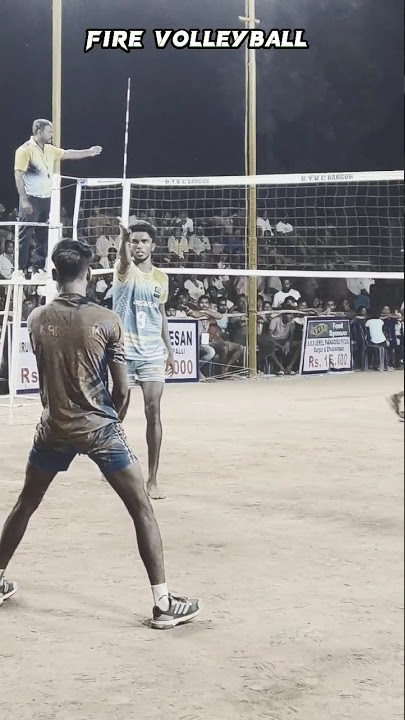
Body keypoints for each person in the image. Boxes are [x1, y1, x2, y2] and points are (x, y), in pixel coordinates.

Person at [0, 239, 201, 628]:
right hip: (98, 428)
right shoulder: (106, 319)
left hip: (54, 426)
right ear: (89, 274)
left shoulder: (37, 318)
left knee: (26, 503)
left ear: (55, 275)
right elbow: (122, 388)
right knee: (141, 507)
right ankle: (162, 605)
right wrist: (113, 420)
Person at [113, 221, 175, 500]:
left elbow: (161, 314)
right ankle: (114, 467)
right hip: (124, 353)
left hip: (151, 353)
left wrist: (169, 349)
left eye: (143, 241)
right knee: (116, 414)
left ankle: (153, 479)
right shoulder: (124, 272)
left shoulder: (161, 278)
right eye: (134, 241)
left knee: (154, 411)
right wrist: (122, 240)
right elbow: (123, 261)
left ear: (153, 245)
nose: (138, 246)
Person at [14, 118, 102, 276]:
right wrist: (24, 199)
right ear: (38, 131)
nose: (52, 134)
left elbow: (68, 153)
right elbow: (18, 174)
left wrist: (89, 151)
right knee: (25, 234)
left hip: (46, 198)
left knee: (43, 235)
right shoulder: (25, 150)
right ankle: (20, 268)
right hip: (31, 197)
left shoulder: (49, 149)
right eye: (49, 131)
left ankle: (38, 268)